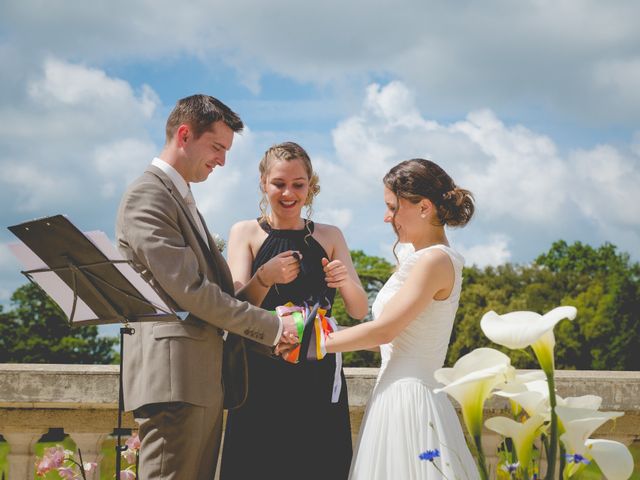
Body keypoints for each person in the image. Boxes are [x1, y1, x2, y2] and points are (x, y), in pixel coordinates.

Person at [115, 95, 298, 480]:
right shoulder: (148, 195)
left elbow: (212, 292)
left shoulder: (178, 196)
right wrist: (274, 327)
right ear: (185, 134)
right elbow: (192, 291)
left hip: (199, 380)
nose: (222, 160)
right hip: (174, 380)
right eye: (217, 147)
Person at [320, 159, 480, 479]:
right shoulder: (418, 257)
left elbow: (384, 330)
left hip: (411, 399)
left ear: (423, 207)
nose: (386, 217)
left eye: (392, 207)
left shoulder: (434, 260)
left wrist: (312, 340)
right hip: (393, 391)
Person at [219, 142, 369, 480]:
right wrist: (264, 277)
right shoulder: (245, 232)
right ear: (263, 183)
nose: (288, 193)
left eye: (298, 184)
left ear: (310, 185)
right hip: (259, 373)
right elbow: (234, 308)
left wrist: (343, 280)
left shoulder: (330, 235)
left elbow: (359, 311)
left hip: (317, 372)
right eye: (279, 184)